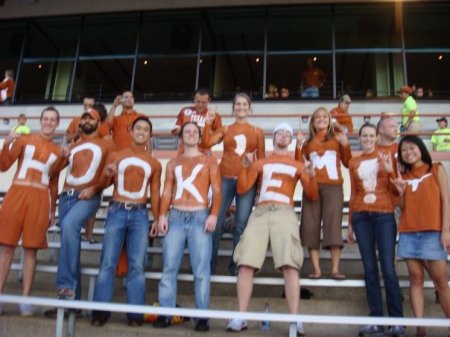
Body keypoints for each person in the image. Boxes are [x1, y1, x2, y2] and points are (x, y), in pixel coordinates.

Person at [226, 122, 318, 335]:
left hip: (284, 210)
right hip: (260, 211)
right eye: (281, 132)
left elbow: (312, 194)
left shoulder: (297, 164)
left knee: (289, 265)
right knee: (246, 264)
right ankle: (241, 315)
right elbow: (242, 188)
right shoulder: (261, 162)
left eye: (288, 133)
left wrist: (311, 175)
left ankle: (294, 319)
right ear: (274, 136)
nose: (284, 136)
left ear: (292, 139)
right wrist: (246, 166)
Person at [91, 116, 161, 327]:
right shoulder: (116, 155)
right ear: (131, 130)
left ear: (150, 135)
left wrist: (157, 219)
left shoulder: (154, 163)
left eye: (146, 129)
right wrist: (106, 173)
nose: (141, 132)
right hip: (117, 210)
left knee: (137, 265)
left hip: (140, 214)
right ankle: (100, 312)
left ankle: (134, 314)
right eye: (138, 128)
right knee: (107, 263)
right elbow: (102, 183)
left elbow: (155, 193)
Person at [154, 122, 221, 332]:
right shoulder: (173, 163)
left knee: (201, 270)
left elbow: (217, 192)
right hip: (176, 216)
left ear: (200, 136)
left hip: (200, 216)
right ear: (182, 137)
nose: (191, 134)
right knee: (169, 268)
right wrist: (162, 215)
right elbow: (166, 192)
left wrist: (214, 214)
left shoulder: (210, 161)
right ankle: (166, 313)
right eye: (187, 131)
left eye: (195, 131)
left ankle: (202, 316)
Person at [0, 106, 65, 315]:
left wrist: (52, 210)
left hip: (39, 199)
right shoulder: (23, 140)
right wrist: (6, 143)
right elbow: (3, 166)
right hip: (17, 193)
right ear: (41, 120)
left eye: (52, 119)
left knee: (31, 250)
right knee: (7, 248)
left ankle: (25, 299)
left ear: (57, 123)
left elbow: (53, 184)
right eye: (45, 118)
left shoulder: (58, 152)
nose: (48, 122)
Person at [347, 123, 405, 337]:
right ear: (360, 138)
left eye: (372, 135)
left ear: (376, 137)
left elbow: (397, 191)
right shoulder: (354, 161)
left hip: (384, 215)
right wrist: (351, 223)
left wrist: (389, 170)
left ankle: (397, 321)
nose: (368, 139)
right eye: (365, 135)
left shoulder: (389, 155)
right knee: (369, 269)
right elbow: (353, 194)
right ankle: (376, 319)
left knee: (388, 268)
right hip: (361, 215)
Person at [391, 135, 450, 337]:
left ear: (420, 148)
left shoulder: (436, 169)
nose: (409, 152)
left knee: (440, 280)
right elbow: (404, 208)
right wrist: (400, 193)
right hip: (408, 232)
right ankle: (420, 327)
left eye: (412, 148)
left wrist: (446, 230)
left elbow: (446, 201)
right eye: (404, 150)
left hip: (433, 232)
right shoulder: (404, 178)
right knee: (415, 278)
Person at [55, 108, 115, 303]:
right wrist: (62, 156)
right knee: (70, 243)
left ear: (99, 123)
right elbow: (53, 172)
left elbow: (111, 175)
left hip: (88, 196)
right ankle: (73, 304)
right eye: (84, 118)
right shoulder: (73, 144)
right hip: (66, 197)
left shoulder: (107, 144)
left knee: (69, 226)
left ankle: (66, 284)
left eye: (92, 118)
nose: (87, 121)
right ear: (79, 123)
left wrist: (95, 189)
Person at [201, 93, 265, 275]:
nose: (241, 107)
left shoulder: (257, 131)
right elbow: (206, 143)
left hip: (247, 181)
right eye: (238, 104)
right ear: (233, 107)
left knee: (241, 225)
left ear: (250, 107)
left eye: (245, 104)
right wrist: (208, 122)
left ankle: (236, 266)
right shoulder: (226, 129)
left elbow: (261, 161)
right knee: (215, 222)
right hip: (225, 177)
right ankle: (209, 265)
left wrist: (259, 187)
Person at [295, 107, 351, 280]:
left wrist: (346, 144)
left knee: (333, 225)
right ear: (312, 121)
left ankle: (335, 268)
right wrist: (298, 146)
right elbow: (299, 165)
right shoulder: (308, 142)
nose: (321, 119)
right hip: (312, 186)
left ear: (329, 119)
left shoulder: (337, 138)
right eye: (317, 117)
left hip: (333, 186)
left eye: (324, 116)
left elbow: (348, 163)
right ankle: (316, 269)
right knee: (310, 225)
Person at [172, 88, 222, 154]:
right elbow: (174, 131)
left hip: (204, 153)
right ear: (194, 99)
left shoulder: (215, 116)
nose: (200, 105)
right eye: (198, 101)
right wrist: (186, 130)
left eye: (203, 102)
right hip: (184, 152)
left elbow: (219, 138)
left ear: (209, 101)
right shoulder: (185, 111)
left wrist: (206, 132)